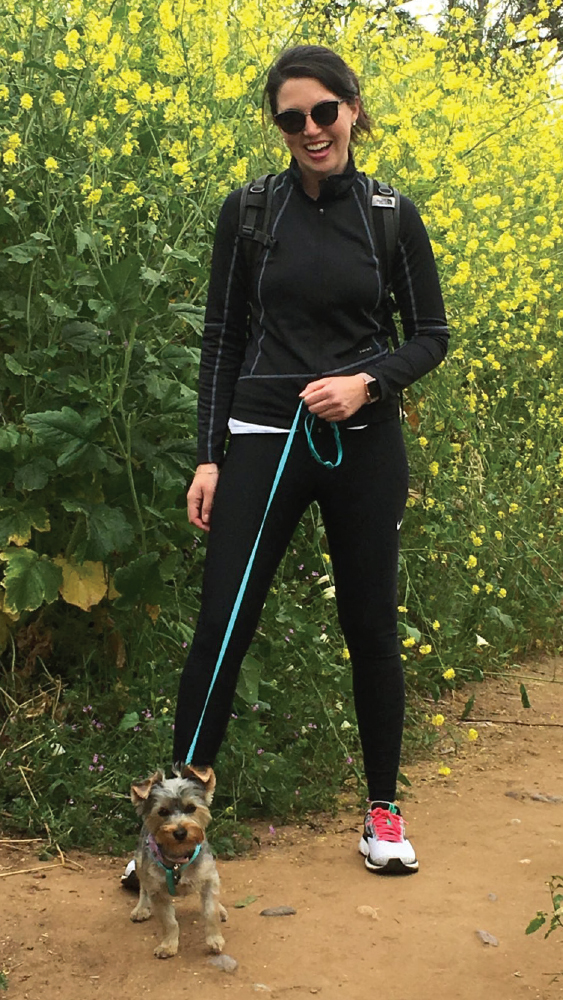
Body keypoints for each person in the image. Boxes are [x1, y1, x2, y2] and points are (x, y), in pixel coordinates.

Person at [174, 44, 448, 876]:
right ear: (278, 126)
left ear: (352, 110)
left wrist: (366, 382)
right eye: (289, 118)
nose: (308, 130)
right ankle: (173, 828)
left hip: (362, 445)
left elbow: (429, 337)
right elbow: (220, 338)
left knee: (369, 627)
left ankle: (382, 815)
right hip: (260, 438)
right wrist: (208, 457)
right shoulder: (250, 211)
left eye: (322, 111)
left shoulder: (391, 215)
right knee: (222, 623)